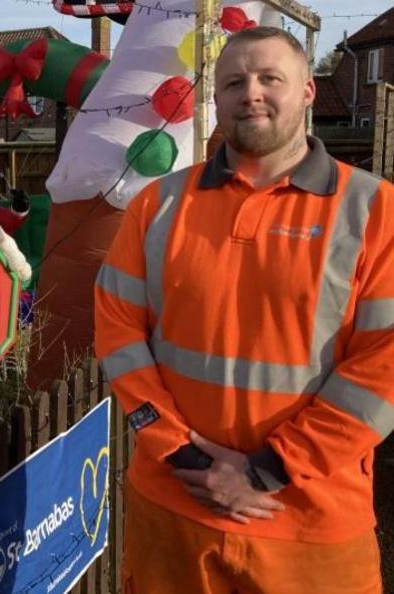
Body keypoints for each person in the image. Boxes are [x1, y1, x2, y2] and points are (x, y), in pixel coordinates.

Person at [95, 26, 389, 593]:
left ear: (307, 90)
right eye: (233, 82)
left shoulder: (376, 212)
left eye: (269, 78)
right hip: (173, 507)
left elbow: (384, 369)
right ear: (216, 100)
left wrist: (267, 469)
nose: (250, 93)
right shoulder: (157, 205)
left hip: (310, 525)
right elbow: (117, 331)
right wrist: (177, 450)